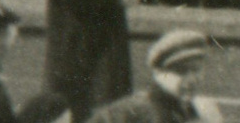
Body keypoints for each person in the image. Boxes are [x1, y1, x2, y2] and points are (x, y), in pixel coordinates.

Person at [83, 27, 219, 123]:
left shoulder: (180, 108)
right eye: (182, 72)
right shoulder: (154, 112)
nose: (193, 80)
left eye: (196, 71)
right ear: (161, 75)